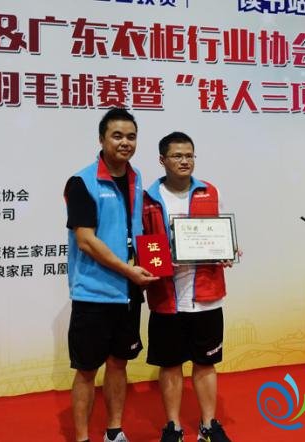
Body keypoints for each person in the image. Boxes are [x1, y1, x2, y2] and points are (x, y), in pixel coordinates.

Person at [65, 108, 158, 442]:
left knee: (119, 363)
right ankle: (81, 438)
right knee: (87, 370)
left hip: (128, 293)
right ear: (101, 139)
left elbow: (139, 230)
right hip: (93, 293)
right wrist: (128, 270)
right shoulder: (82, 182)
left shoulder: (136, 178)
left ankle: (114, 432)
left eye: (131, 136)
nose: (125, 143)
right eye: (117, 136)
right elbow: (86, 240)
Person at [142, 131, 233, 442]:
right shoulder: (148, 198)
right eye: (177, 156)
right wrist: (157, 261)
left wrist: (229, 250)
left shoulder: (210, 192)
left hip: (207, 295)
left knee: (206, 363)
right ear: (162, 160)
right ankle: (174, 427)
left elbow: (220, 234)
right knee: (170, 365)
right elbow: (144, 244)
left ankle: (208, 425)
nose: (185, 161)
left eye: (189, 155)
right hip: (166, 297)